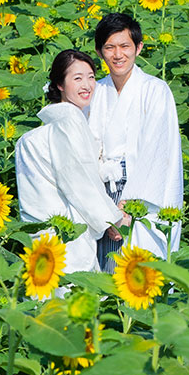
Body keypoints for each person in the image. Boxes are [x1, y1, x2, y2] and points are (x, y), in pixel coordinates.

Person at [15, 49, 131, 275]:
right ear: (59, 84)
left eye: (91, 77)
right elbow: (79, 180)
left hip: (42, 236)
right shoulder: (68, 124)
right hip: (67, 237)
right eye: (77, 78)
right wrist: (113, 220)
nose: (87, 85)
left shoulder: (43, 132)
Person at [89, 12, 183, 272]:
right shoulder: (96, 91)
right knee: (104, 273)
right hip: (101, 192)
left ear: (138, 48)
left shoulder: (155, 90)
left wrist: (127, 208)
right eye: (109, 47)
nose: (117, 55)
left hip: (140, 191)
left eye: (125, 46)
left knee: (137, 272)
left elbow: (157, 152)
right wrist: (100, 208)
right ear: (99, 52)